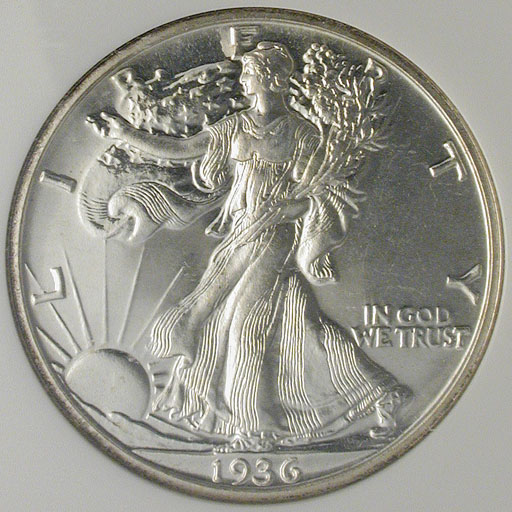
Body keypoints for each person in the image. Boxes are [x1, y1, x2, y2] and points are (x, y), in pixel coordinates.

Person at [94, 42, 410, 450]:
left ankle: (253, 427)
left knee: (245, 324)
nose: (243, 81)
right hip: (241, 234)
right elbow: (183, 150)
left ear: (272, 80)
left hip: (274, 237)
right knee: (295, 324)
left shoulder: (303, 134)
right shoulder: (235, 127)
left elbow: (317, 196)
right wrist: (126, 134)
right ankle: (378, 394)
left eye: (249, 73)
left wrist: (291, 208)